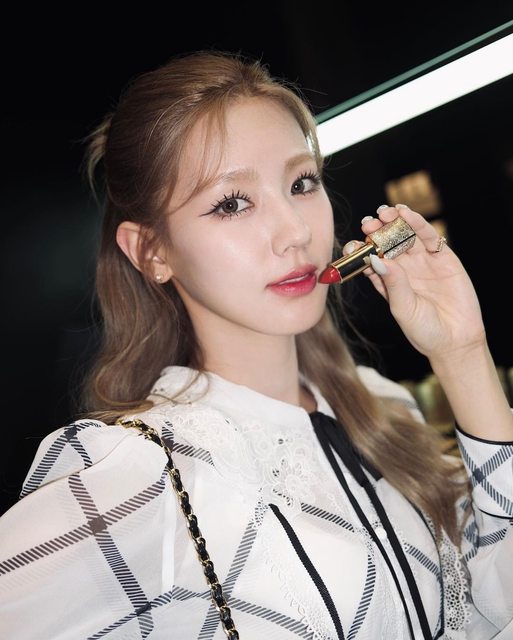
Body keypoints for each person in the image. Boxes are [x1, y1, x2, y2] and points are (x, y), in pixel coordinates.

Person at [0, 50, 511, 640]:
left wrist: (462, 353)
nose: (296, 231)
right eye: (231, 203)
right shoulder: (144, 469)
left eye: (302, 183)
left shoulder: (383, 408)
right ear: (151, 252)